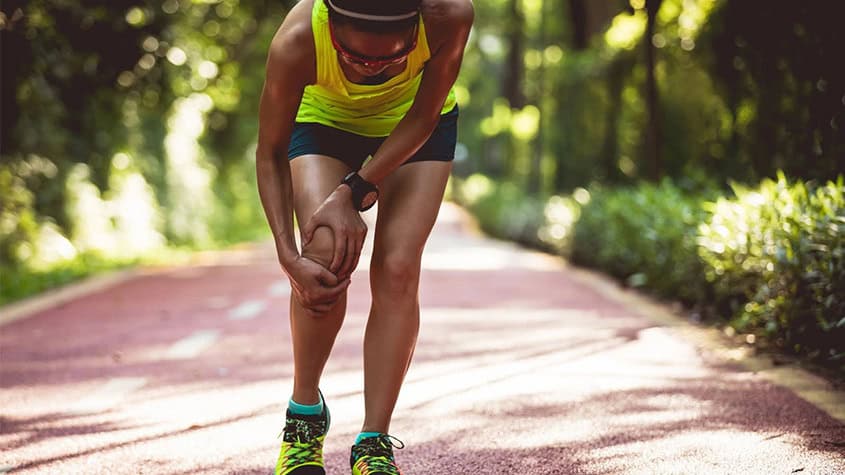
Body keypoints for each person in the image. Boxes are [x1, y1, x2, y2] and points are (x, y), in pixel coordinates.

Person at [255, 0, 473, 473]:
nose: (370, 70)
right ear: (332, 31)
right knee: (323, 257)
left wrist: (353, 189)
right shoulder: (297, 41)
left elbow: (425, 114)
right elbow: (269, 150)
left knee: (397, 268)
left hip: (415, 127)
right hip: (326, 124)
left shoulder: (449, 15)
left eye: (388, 60)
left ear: (415, 29)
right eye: (355, 58)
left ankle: (373, 441)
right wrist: (287, 253)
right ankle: (304, 418)